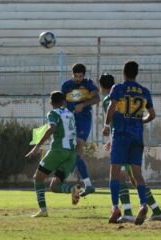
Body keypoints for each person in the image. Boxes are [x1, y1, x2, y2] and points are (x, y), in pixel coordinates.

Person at [99, 73, 161, 223]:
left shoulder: (109, 99)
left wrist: (110, 137)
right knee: (136, 178)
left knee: (119, 176)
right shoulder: (139, 92)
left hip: (121, 138)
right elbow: (149, 114)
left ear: (101, 86)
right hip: (136, 137)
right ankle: (155, 209)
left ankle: (127, 211)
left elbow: (115, 118)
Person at [26, 91, 80, 218]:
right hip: (71, 153)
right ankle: (71, 189)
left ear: (50, 103)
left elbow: (52, 128)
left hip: (58, 151)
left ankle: (43, 210)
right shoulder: (70, 114)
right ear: (64, 102)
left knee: (37, 178)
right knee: (54, 186)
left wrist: (36, 148)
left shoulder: (53, 113)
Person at [61, 63, 100, 197]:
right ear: (72, 74)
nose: (78, 78)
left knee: (78, 148)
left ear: (84, 75)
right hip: (70, 120)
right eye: (75, 76)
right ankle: (87, 184)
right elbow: (62, 103)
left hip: (84, 119)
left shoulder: (89, 84)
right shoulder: (66, 86)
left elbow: (97, 98)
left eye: (80, 76)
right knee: (71, 151)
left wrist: (83, 104)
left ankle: (85, 183)